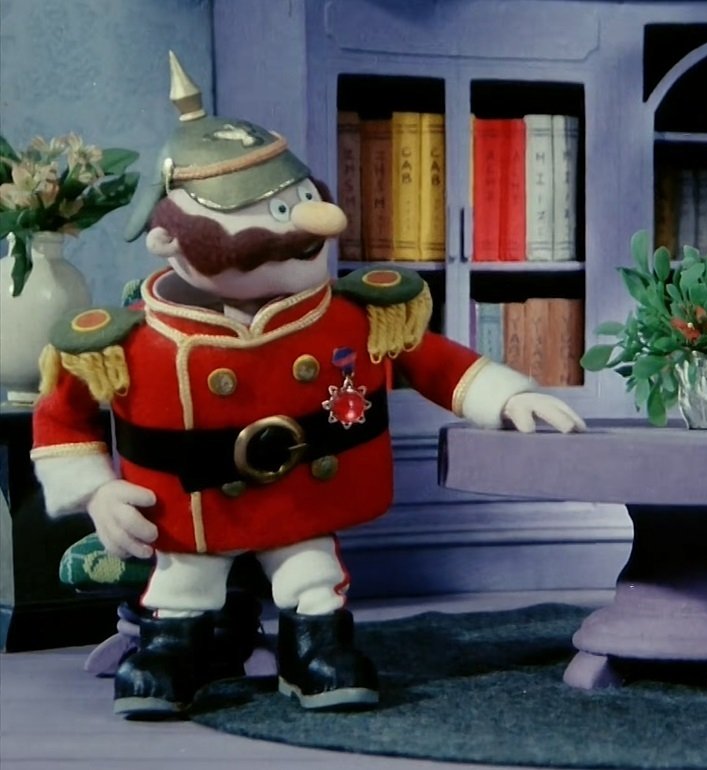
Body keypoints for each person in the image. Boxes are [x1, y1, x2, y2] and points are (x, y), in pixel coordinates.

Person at [30, 52, 585, 718]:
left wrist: (507, 394)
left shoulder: (352, 316)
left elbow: (431, 360)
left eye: (301, 202)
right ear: (169, 239)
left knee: (312, 575)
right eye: (270, 212)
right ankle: (174, 652)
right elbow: (61, 417)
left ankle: (314, 651)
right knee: (184, 583)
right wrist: (95, 491)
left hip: (302, 504)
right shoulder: (123, 342)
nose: (313, 225)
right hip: (187, 514)